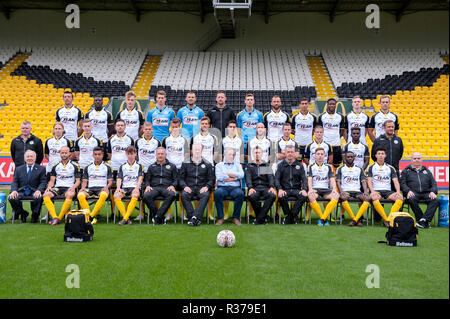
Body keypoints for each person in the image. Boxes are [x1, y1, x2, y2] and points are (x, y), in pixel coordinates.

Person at [43, 146, 81, 225]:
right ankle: (54, 217)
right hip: (58, 187)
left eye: (66, 153)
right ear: (60, 154)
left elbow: (78, 181)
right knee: (46, 195)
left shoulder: (75, 166)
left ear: (69, 154)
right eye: (62, 153)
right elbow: (52, 180)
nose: (64, 154)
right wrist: (49, 187)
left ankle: (59, 218)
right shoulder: (55, 166)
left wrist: (73, 188)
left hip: (69, 187)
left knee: (70, 195)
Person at [400, 152, 439, 229]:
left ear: (421, 160)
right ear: (411, 160)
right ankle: (422, 220)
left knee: (435, 200)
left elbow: (434, 183)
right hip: (413, 193)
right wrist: (408, 191)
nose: (416, 160)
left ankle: (423, 220)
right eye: (414, 158)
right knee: (411, 199)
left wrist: (432, 191)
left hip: (426, 193)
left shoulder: (427, 171)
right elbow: (402, 183)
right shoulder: (406, 171)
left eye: (418, 158)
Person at [179, 144, 215, 226]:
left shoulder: (207, 164)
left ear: (202, 151)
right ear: (192, 150)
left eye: (199, 149)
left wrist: (207, 187)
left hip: (201, 187)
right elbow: (180, 178)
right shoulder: (185, 163)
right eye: (195, 149)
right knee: (184, 195)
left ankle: (193, 218)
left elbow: (211, 179)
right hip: (189, 187)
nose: (197, 151)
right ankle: (195, 218)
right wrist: (185, 186)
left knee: (206, 195)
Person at [367, 147, 403, 227]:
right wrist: (372, 191)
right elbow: (369, 181)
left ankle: (388, 219)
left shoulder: (390, 168)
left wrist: (398, 192)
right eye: (379, 154)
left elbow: (396, 181)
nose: (380, 156)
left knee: (400, 198)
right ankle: (386, 219)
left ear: (385, 155)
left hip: (387, 191)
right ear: (376, 155)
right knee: (375, 198)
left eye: (382, 154)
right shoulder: (371, 167)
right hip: (376, 190)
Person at [8, 150, 47, 223]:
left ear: (35, 158)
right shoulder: (18, 169)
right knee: (11, 198)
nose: (29, 158)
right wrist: (14, 190)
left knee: (39, 197)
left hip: (34, 190)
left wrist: (39, 190)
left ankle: (35, 215)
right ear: (25, 158)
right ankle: (23, 213)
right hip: (22, 191)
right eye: (28, 156)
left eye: (31, 156)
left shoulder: (41, 169)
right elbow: (15, 181)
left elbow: (43, 182)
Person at [77, 147, 113, 224]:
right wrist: (83, 188)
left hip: (101, 188)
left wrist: (107, 187)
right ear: (93, 155)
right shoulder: (88, 167)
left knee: (104, 195)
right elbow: (84, 181)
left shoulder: (107, 167)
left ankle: (90, 216)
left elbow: (110, 181)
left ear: (102, 155)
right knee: (80, 195)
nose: (97, 156)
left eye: (99, 154)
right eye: (95, 154)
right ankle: (89, 215)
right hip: (90, 189)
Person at [142, 147, 178, 225]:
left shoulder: (172, 166)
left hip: (167, 187)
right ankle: (159, 216)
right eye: (158, 154)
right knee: (146, 196)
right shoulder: (151, 167)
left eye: (162, 154)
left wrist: (172, 186)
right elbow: (147, 179)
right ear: (156, 155)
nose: (160, 155)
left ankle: (157, 216)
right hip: (154, 188)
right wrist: (147, 186)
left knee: (171, 194)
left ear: (165, 155)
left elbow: (176, 180)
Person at [275, 145, 308, 224]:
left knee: (304, 196)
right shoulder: (280, 165)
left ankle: (289, 217)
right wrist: (279, 189)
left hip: (296, 190)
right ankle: (292, 217)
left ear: (294, 154)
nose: (290, 154)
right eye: (288, 152)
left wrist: (303, 189)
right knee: (281, 196)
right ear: (285, 154)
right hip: (284, 190)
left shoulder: (300, 165)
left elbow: (304, 179)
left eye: (292, 152)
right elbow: (276, 179)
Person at [335, 151, 371, 227]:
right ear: (345, 158)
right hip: (346, 191)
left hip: (357, 191)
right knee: (343, 197)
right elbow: (338, 182)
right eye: (348, 157)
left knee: (367, 198)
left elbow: (364, 181)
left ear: (354, 158)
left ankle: (355, 220)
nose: (350, 158)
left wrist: (365, 191)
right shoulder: (340, 169)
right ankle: (356, 219)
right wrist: (341, 191)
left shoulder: (359, 169)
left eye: (351, 157)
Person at [307, 148, 340, 226]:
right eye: (318, 154)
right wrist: (310, 189)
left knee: (336, 195)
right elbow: (309, 179)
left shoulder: (328, 167)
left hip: (326, 190)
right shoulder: (311, 166)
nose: (320, 156)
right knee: (310, 196)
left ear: (325, 156)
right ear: (315, 156)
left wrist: (334, 189)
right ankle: (323, 218)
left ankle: (322, 219)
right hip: (315, 189)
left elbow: (332, 179)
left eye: (322, 154)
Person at [114, 146, 145, 226]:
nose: (130, 156)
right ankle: (126, 218)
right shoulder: (122, 166)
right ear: (126, 154)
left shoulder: (139, 166)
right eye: (128, 154)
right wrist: (118, 188)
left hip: (135, 187)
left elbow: (140, 179)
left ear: (135, 154)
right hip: (125, 188)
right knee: (116, 195)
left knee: (135, 194)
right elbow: (119, 179)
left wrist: (137, 188)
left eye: (132, 154)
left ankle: (124, 219)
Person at [245, 146, 277, 225]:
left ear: (262, 154)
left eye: (259, 153)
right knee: (252, 196)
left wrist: (271, 187)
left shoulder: (266, 165)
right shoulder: (250, 166)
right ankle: (263, 218)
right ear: (253, 154)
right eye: (255, 153)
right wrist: (250, 187)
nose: (257, 154)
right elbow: (248, 178)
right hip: (255, 188)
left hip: (265, 188)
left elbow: (270, 177)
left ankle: (259, 219)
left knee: (272, 195)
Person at [214, 148, 245, 226]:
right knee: (217, 193)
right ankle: (221, 218)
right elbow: (219, 176)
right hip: (222, 187)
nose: (232, 156)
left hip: (235, 188)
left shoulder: (238, 165)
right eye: (230, 154)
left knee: (240, 194)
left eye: (233, 155)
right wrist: (234, 177)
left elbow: (241, 175)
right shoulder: (219, 165)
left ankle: (235, 218)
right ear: (225, 155)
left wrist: (227, 174)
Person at [317, 98, 345, 168]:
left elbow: (341, 131)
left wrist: (335, 137)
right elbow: (319, 130)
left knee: (336, 164)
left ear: (336, 105)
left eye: (333, 104)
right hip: (325, 144)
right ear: (327, 105)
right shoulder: (321, 116)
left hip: (336, 144)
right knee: (325, 164)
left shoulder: (340, 116)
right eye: (330, 104)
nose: (332, 105)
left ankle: (335, 178)